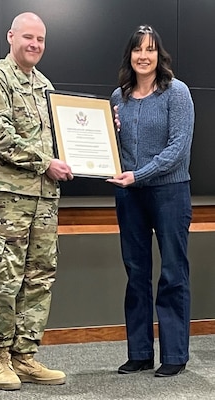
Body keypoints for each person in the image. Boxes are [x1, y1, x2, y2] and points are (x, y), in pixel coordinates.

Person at [0, 12, 73, 391]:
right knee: (3, 277)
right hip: (4, 200)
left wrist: (100, 130)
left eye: (40, 39)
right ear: (11, 36)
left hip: (43, 199)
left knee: (39, 278)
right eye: (28, 37)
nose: (35, 45)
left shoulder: (45, 86)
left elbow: (59, 138)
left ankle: (25, 356)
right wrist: (47, 163)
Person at [107, 25, 194, 377]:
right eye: (138, 49)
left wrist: (139, 175)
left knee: (173, 273)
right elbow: (114, 149)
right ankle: (140, 351)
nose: (144, 56)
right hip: (129, 195)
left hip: (170, 193)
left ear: (160, 55)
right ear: (130, 55)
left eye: (151, 49)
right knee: (136, 273)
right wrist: (107, 134)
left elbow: (178, 149)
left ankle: (174, 354)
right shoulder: (118, 97)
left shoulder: (177, 93)